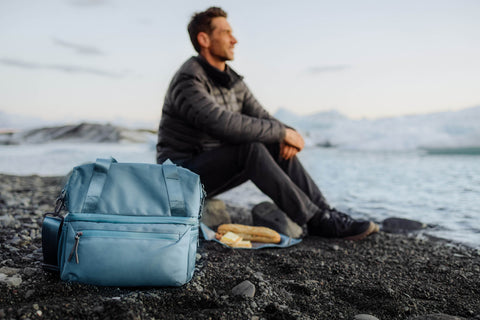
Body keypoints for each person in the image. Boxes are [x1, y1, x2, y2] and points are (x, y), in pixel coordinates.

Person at [156, 6, 379, 240]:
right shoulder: (188, 79)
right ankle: (314, 220)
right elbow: (223, 125)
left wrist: (288, 133)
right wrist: (282, 132)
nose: (235, 39)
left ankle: (325, 213)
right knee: (251, 148)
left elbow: (263, 117)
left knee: (274, 143)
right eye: (226, 33)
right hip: (180, 175)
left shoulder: (233, 81)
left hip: (213, 167)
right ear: (204, 39)